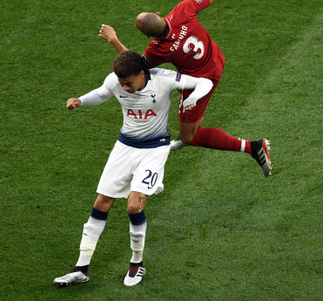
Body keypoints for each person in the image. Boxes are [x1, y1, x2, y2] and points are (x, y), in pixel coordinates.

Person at [98, 0, 272, 177]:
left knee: (190, 136)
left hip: (199, 81)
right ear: (159, 14)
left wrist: (114, 40)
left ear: (149, 36)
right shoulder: (183, 10)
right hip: (217, 58)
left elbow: (135, 68)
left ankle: (254, 146)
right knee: (187, 125)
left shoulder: (158, 49)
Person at [54, 50, 213, 287]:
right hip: (124, 147)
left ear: (142, 74)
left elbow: (205, 82)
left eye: (128, 84)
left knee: (133, 205)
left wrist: (192, 98)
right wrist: (81, 100)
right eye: (121, 84)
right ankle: (81, 268)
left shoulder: (164, 79)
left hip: (154, 150)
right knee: (101, 203)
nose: (124, 89)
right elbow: (101, 93)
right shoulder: (116, 81)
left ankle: (137, 263)